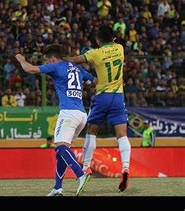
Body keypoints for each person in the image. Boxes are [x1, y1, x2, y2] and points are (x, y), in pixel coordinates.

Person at [16, 44, 96, 196]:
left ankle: (81, 174)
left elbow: (29, 69)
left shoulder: (56, 66)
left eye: (48, 60)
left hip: (68, 113)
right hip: (81, 114)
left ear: (53, 58)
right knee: (61, 151)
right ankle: (58, 187)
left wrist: (21, 59)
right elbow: (95, 81)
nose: (47, 63)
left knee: (60, 147)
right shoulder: (77, 69)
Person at [64, 25, 131, 193]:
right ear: (113, 38)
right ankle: (126, 167)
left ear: (98, 40)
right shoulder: (120, 48)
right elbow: (112, 42)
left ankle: (86, 167)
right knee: (122, 135)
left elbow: (75, 60)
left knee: (91, 131)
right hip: (118, 97)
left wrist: (61, 58)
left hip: (102, 97)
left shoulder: (95, 53)